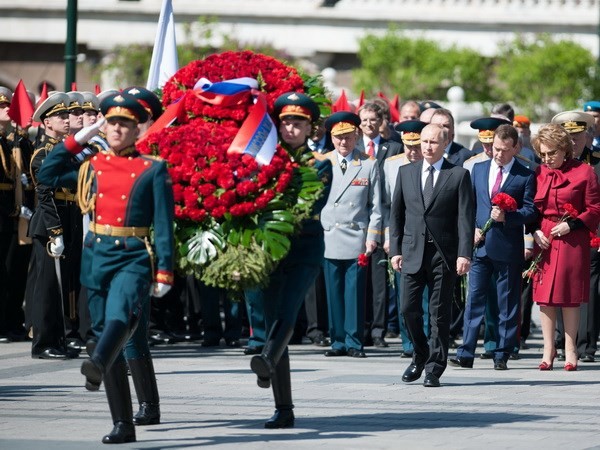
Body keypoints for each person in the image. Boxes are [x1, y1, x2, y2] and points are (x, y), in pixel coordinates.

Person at [37, 92, 175, 443]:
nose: (116, 129)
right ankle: (123, 423)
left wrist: (165, 270)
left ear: (136, 129)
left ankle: (97, 363)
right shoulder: (92, 165)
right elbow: (49, 174)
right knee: (105, 331)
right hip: (97, 254)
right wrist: (80, 136)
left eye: (124, 124)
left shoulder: (152, 168)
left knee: (119, 318)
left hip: (132, 254)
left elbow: (164, 222)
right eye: (111, 122)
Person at [247, 91, 332, 429]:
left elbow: (310, 206)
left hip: (303, 249)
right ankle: (284, 408)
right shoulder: (263, 161)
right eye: (285, 121)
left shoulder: (320, 165)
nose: (291, 127)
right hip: (269, 250)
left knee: (287, 312)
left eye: (298, 122)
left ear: (311, 127)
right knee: (272, 323)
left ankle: (267, 358)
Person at [389, 123, 474, 387]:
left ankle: (434, 367)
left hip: (443, 253)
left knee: (438, 313)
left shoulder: (458, 175)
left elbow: (465, 217)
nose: (426, 146)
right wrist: (395, 249)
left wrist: (464, 253)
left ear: (445, 144)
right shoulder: (406, 172)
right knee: (408, 308)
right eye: (424, 142)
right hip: (413, 251)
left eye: (433, 142)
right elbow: (397, 215)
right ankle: (420, 353)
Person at [450, 124, 536, 370]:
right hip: (480, 246)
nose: (498, 154)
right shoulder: (478, 169)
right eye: (496, 148)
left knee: (507, 303)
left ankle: (502, 352)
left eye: (504, 150)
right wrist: (472, 231)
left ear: (515, 148)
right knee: (474, 299)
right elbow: (469, 206)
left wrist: (508, 217)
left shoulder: (525, 174)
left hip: (507, 247)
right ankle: (466, 351)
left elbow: (530, 211)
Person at [530, 123, 600, 371]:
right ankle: (548, 349)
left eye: (551, 153)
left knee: (569, 297)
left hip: (572, 238)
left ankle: (571, 349)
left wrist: (572, 225)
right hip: (545, 237)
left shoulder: (585, 173)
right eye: (543, 154)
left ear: (564, 150)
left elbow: (594, 209)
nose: (547, 159)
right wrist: (535, 230)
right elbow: (532, 209)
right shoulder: (538, 172)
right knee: (544, 296)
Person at [321, 111, 381, 359]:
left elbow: (377, 205)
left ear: (356, 136)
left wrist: (372, 236)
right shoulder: (322, 162)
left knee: (354, 292)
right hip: (329, 235)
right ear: (332, 138)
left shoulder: (368, 163)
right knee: (333, 291)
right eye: (338, 138)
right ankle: (337, 341)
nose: (343, 143)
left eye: (347, 137)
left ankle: (354, 341)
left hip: (356, 235)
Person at [28, 92, 78, 360]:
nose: (66, 120)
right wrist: (55, 232)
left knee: (61, 286)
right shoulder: (43, 153)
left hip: (67, 218)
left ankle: (58, 340)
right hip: (49, 224)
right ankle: (43, 343)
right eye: (60, 116)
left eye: (66, 115)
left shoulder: (63, 150)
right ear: (46, 122)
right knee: (47, 287)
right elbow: (45, 195)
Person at [357, 102, 402, 347]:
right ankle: (360, 328)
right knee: (359, 280)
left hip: (383, 222)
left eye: (373, 119)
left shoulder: (393, 148)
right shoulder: (352, 148)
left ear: (381, 121)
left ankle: (377, 330)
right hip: (357, 224)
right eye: (364, 120)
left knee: (379, 282)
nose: (369, 124)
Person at [383, 120, 428, 357]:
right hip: (405, 240)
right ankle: (408, 343)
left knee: (428, 301)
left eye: (417, 146)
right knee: (406, 298)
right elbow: (390, 209)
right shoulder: (392, 166)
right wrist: (392, 241)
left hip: (429, 241)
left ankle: (426, 340)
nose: (412, 151)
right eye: (408, 146)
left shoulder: (434, 167)